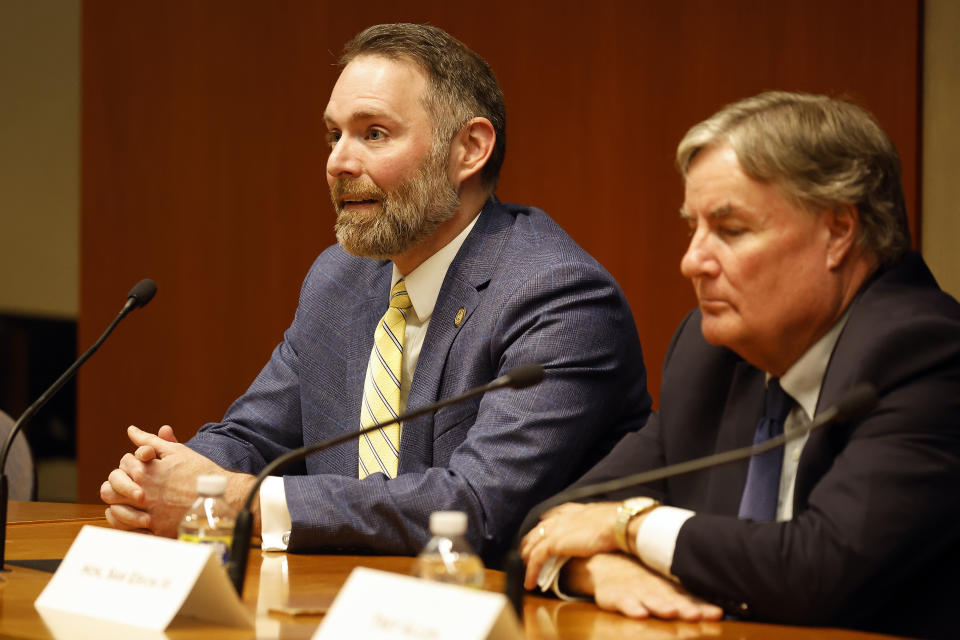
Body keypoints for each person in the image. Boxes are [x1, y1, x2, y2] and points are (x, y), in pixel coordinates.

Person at [99, 23, 651, 563]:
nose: (338, 161)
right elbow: (254, 438)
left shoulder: (556, 296)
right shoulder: (340, 277)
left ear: (470, 149)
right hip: (335, 605)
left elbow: (475, 509)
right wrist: (164, 474)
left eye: (374, 134)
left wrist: (232, 499)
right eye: (333, 135)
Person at [521, 91, 960, 639]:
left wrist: (629, 527)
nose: (692, 262)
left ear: (839, 232)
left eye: (730, 231)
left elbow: (821, 569)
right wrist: (593, 566)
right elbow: (554, 518)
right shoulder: (714, 358)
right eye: (693, 229)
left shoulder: (926, 352)